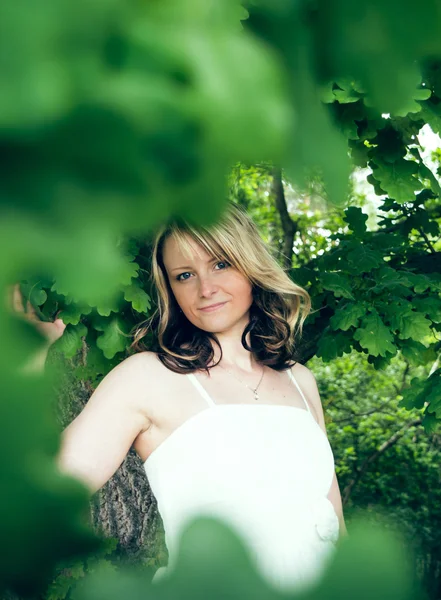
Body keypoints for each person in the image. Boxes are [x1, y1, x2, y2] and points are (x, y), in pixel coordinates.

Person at [11, 202, 348, 593]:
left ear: (250, 264)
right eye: (185, 275)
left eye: (221, 264)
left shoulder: (300, 382)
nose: (205, 289)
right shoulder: (148, 378)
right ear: (171, 289)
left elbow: (333, 525)